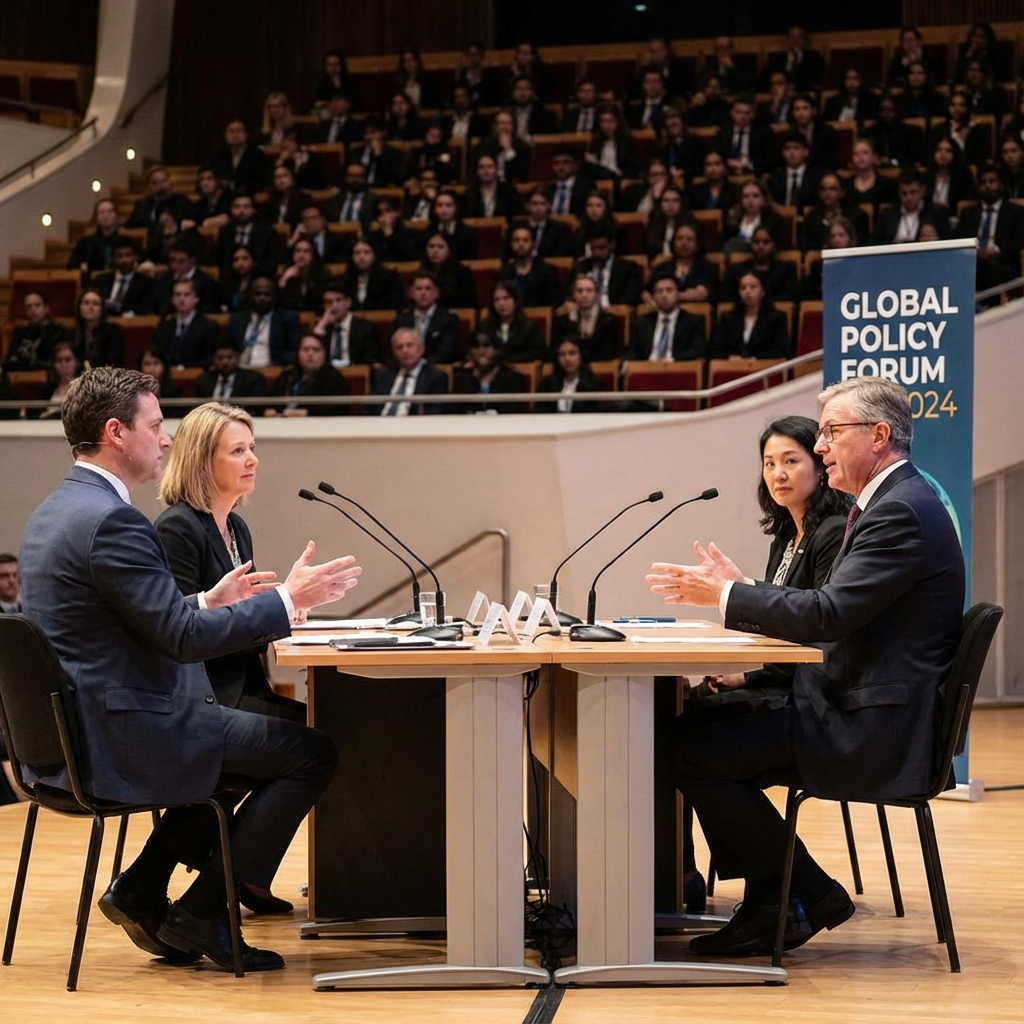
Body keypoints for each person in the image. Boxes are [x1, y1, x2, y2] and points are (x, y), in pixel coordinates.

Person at [19, 367, 361, 970]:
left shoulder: (55, 512)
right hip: (127, 733)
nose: (167, 439)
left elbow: (145, 617)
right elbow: (178, 640)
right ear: (116, 432)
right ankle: (204, 910)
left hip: (73, 732)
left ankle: (146, 888)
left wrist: (208, 600)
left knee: (268, 743)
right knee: (312, 752)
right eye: (156, 426)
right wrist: (287, 602)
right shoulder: (114, 521)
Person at [646, 377, 965, 958]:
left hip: (868, 726)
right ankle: (778, 900)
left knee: (687, 748)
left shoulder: (899, 513)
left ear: (879, 435)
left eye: (831, 432)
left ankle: (800, 897)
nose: (820, 446)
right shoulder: (891, 505)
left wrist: (729, 595)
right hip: (853, 704)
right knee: (693, 731)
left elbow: (828, 613)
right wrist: (739, 594)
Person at [679, 416, 852, 901]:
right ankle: (686, 879)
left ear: (820, 467)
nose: (778, 473)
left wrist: (749, 671)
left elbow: (819, 635)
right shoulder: (789, 535)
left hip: (817, 703)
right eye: (769, 463)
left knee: (686, 741)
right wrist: (750, 589)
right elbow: (786, 618)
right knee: (682, 715)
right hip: (790, 690)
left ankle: (788, 894)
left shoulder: (831, 533)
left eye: (791, 461)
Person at [154, 403, 311, 910]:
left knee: (308, 733)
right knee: (312, 748)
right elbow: (181, 634)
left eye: (253, 449)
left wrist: (283, 612)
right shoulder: (177, 528)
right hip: (200, 695)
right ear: (203, 461)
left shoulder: (236, 529)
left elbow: (240, 620)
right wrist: (274, 611)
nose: (253, 460)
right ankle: (229, 883)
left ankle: (225, 878)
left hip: (240, 686)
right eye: (238, 451)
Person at [955, 164, 1024, 295]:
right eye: (983, 182)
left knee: (986, 268)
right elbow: (958, 239)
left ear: (1001, 185)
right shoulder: (969, 213)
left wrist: (995, 251)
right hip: (972, 260)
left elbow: (1020, 241)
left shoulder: (1016, 212)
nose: (987, 185)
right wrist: (975, 252)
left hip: (1002, 262)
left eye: (992, 181)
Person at [625, 274, 707, 361]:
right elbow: (631, 353)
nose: (664, 295)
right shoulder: (640, 323)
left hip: (677, 369)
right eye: (659, 291)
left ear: (678, 294)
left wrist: (671, 360)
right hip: (647, 369)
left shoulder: (693, 322)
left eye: (669, 290)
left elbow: (698, 351)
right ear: (654, 296)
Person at [710, 272, 790, 359]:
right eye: (743, 288)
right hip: (733, 367)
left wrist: (755, 359)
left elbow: (782, 351)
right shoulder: (727, 319)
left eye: (753, 287)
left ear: (763, 291)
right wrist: (730, 357)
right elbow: (715, 351)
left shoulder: (776, 318)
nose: (748, 291)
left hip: (764, 368)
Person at [265, 334, 350, 417]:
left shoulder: (334, 379)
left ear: (325, 354)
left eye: (316, 350)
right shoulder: (287, 375)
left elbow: (337, 409)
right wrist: (269, 411)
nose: (310, 354)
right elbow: (269, 402)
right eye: (305, 349)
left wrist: (307, 413)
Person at [371, 328, 448, 416]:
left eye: (410, 345)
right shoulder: (382, 376)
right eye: (399, 347)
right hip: (379, 425)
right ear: (394, 352)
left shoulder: (435, 377)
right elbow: (370, 409)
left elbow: (433, 412)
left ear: (421, 349)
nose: (405, 351)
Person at [227, 277, 301, 368]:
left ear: (274, 297)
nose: (262, 298)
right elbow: (228, 348)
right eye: (257, 294)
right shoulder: (237, 319)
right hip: (240, 370)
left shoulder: (287, 319)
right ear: (250, 295)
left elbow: (295, 351)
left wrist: (273, 364)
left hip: (272, 369)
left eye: (267, 294)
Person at [392, 272, 460, 363]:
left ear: (436, 293)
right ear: (411, 293)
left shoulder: (448, 319)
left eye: (428, 289)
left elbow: (447, 353)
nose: (423, 293)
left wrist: (420, 365)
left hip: (435, 370)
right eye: (419, 289)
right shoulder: (402, 319)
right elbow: (393, 349)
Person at [453, 332, 527, 413]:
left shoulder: (512, 379)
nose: (481, 351)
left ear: (497, 350)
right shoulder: (462, 379)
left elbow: (514, 412)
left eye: (486, 345)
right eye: (476, 346)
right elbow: (455, 412)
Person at [311, 279, 380, 367]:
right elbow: (311, 355)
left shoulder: (365, 328)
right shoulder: (322, 328)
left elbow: (371, 362)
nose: (334, 306)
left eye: (338, 300)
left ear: (348, 303)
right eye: (329, 302)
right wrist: (321, 325)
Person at [153, 280, 219, 368]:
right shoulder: (164, 326)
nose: (181, 299)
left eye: (186, 295)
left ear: (196, 299)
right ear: (172, 299)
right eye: (178, 295)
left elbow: (208, 359)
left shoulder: (208, 326)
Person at [551, 274, 618, 362]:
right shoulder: (562, 321)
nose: (584, 295)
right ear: (573, 294)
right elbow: (555, 351)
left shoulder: (608, 320)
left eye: (589, 291)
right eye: (579, 291)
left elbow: (608, 353)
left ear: (596, 294)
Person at [722, 227, 798, 302]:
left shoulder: (786, 270)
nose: (760, 246)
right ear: (751, 244)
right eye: (756, 242)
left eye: (766, 242)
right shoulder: (737, 270)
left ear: (774, 245)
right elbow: (727, 298)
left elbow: (790, 296)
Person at [648, 222, 717, 304]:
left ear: (698, 244)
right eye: (680, 239)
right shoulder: (663, 267)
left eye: (690, 239)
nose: (684, 243)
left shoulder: (707, 268)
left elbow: (704, 294)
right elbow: (647, 291)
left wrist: (668, 297)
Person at [571, 230, 642, 308]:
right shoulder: (581, 266)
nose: (597, 253)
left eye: (601, 248)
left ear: (612, 245)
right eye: (593, 248)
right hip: (585, 310)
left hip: (614, 312)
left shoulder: (626, 267)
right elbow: (570, 293)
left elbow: (632, 296)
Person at [214, 190, 276, 277]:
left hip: (258, 275)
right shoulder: (225, 231)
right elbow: (219, 260)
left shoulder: (266, 232)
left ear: (254, 210)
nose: (241, 211)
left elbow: (269, 261)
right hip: (230, 278)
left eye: (246, 207)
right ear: (231, 210)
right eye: (237, 207)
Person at [536, 336, 606, 413]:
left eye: (572, 353)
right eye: (562, 354)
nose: (567, 359)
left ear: (581, 356)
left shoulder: (593, 383)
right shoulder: (547, 384)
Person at [798, 175, 868, 252]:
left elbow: (863, 245)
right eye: (823, 189)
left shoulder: (857, 216)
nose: (827, 193)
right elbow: (806, 247)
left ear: (842, 192)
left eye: (832, 189)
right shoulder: (811, 218)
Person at [874, 170, 944, 244]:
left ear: (923, 190)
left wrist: (935, 240)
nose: (908, 198)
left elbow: (949, 243)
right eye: (904, 193)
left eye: (913, 192)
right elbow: (874, 244)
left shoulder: (937, 213)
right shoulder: (887, 215)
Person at [498, 227, 562, 309]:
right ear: (511, 244)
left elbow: (553, 303)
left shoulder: (546, 271)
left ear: (533, 244)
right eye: (516, 240)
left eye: (525, 240)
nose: (520, 244)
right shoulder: (503, 272)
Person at [154, 236, 219, 316]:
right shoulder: (164, 280)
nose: (175, 265)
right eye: (172, 260)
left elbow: (209, 310)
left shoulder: (206, 282)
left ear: (192, 260)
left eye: (181, 261)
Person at [482, 282, 547, 361]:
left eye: (506, 298)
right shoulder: (485, 327)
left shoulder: (529, 327)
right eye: (497, 300)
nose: (501, 303)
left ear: (515, 301)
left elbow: (538, 353)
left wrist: (506, 358)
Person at [3, 291, 67, 371]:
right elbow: (10, 358)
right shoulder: (19, 332)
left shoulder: (57, 331)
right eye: (29, 307)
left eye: (37, 305)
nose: (33, 310)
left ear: (46, 308)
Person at [93, 236, 157, 316]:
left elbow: (146, 309)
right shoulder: (101, 281)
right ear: (113, 258)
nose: (124, 260)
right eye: (119, 256)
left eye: (128, 255)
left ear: (135, 257)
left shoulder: (146, 283)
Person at [717, 94, 775, 177]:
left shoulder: (764, 132)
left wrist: (749, 165)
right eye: (738, 112)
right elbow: (718, 156)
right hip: (728, 174)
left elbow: (770, 160)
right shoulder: (723, 132)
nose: (742, 117)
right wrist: (729, 163)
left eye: (747, 113)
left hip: (754, 174)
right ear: (731, 113)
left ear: (753, 114)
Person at [194, 338, 267, 405]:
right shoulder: (204, 381)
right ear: (213, 360)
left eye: (229, 358)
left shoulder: (252, 380)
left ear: (238, 358)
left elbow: (255, 408)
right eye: (220, 358)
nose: (225, 362)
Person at [722, 180, 786, 254]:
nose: (750, 200)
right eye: (746, 196)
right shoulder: (733, 219)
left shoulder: (774, 220)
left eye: (755, 196)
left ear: (763, 199)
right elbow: (723, 242)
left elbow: (778, 246)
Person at [343, 239, 405, 312]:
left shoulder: (389, 278)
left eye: (366, 252)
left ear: (374, 255)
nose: (361, 257)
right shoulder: (345, 279)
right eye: (357, 253)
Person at [925, 137, 975, 226]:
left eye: (948, 151)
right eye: (939, 150)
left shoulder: (963, 177)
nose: (942, 154)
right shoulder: (927, 176)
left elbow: (968, 203)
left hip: (952, 219)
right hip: (929, 219)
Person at [421, 232, 478, 310]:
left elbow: (468, 305)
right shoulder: (420, 273)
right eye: (431, 246)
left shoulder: (462, 274)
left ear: (449, 250)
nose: (435, 251)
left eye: (440, 247)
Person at [210, 118, 269, 193]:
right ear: (225, 135)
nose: (235, 135)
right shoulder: (220, 155)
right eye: (231, 131)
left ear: (246, 135)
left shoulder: (256, 154)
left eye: (239, 131)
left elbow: (259, 181)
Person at [864, 95, 924, 169]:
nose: (886, 114)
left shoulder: (911, 132)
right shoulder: (869, 132)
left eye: (890, 110)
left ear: (897, 111)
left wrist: (892, 162)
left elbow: (916, 159)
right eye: (882, 110)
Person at [126, 166, 192, 232]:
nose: (160, 186)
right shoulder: (143, 205)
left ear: (170, 182)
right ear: (149, 186)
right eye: (155, 183)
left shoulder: (181, 201)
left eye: (164, 181)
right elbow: (130, 225)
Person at [67, 198, 121, 277]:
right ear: (96, 217)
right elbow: (72, 266)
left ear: (116, 215)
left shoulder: (125, 241)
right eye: (102, 212)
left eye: (110, 211)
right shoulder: (85, 242)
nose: (106, 216)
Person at [474, 110, 532, 183]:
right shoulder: (485, 145)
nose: (505, 127)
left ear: (514, 126)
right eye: (501, 123)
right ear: (495, 126)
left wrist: (509, 151)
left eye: (508, 123)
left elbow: (521, 175)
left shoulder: (523, 147)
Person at [584, 104, 638, 182]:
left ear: (618, 122)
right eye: (603, 121)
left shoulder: (628, 142)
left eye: (610, 121)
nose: (606, 125)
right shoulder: (595, 142)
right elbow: (592, 169)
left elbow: (631, 169)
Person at [514, 189, 572, 259]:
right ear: (528, 206)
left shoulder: (559, 229)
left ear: (548, 206)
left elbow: (561, 258)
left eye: (542, 204)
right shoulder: (516, 227)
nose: (538, 208)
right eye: (534, 204)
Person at [73, 288, 125, 368]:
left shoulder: (113, 332)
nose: (90, 307)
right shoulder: (71, 334)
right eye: (86, 303)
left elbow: (113, 363)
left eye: (95, 304)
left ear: (102, 309)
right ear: (79, 307)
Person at [763, 26, 824, 92]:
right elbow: (765, 79)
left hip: (803, 95)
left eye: (799, 37)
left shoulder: (814, 59)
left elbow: (814, 80)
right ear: (788, 40)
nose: (795, 40)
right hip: (780, 96)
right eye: (792, 37)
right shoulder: (775, 59)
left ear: (804, 40)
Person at [465, 152, 522, 219]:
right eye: (482, 167)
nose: (486, 171)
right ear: (477, 171)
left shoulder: (509, 191)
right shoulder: (469, 193)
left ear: (496, 169)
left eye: (490, 167)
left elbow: (516, 216)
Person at [790, 93, 837, 173]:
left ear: (814, 111)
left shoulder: (827, 132)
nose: (801, 113)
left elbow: (831, 161)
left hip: (822, 174)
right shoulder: (789, 134)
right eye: (797, 109)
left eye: (805, 108)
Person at [846, 139, 897, 214]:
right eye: (856, 154)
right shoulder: (846, 185)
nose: (860, 157)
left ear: (874, 156)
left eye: (865, 153)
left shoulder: (886, 184)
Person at [350, 118, 405, 188]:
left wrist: (378, 156)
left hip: (384, 191)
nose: (369, 137)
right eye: (366, 133)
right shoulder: (355, 153)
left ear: (383, 132)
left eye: (373, 132)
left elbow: (393, 178)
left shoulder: (394, 154)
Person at [276, 238, 327, 313]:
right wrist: (284, 279)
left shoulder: (321, 275)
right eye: (297, 251)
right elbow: (278, 303)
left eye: (306, 251)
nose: (301, 255)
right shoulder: (286, 274)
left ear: (312, 256)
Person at [36, 340, 83, 419]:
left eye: (68, 360)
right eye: (59, 361)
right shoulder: (46, 390)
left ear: (77, 362)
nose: (63, 365)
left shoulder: (84, 388)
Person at [657, 108, 703, 188]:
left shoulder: (694, 142)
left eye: (675, 118)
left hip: (689, 183)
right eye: (668, 119)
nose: (671, 122)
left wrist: (683, 172)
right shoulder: (663, 146)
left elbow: (699, 166)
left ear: (683, 122)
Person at [428, 189, 477, 261]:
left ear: (456, 208)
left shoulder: (467, 233)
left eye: (448, 205)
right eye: (440, 205)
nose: (443, 210)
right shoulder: (428, 232)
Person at [368, 195, 419, 262]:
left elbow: (406, 256)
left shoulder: (409, 234)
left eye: (388, 211)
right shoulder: (374, 235)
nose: (384, 215)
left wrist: (389, 234)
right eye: (380, 213)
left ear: (398, 212)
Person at [326, 163, 376, 228]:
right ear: (346, 178)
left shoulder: (373, 200)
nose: (355, 180)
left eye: (359, 176)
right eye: (351, 176)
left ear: (364, 178)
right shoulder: (335, 200)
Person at [643, 185, 685, 260]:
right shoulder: (652, 226)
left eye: (675, 201)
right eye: (666, 200)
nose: (670, 204)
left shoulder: (690, 225)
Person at [263, 165, 311, 230]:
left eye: (285, 176)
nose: (281, 180)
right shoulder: (270, 202)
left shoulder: (303, 199)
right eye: (277, 177)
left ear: (292, 178)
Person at [453, 41, 499, 108]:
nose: (472, 58)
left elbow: (494, 98)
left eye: (475, 55)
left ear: (482, 56)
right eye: (469, 54)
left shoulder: (490, 77)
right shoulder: (460, 77)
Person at [626, 66, 669, 131]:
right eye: (648, 82)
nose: (652, 86)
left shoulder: (670, 105)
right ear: (643, 85)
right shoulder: (634, 107)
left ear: (662, 84)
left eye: (656, 82)